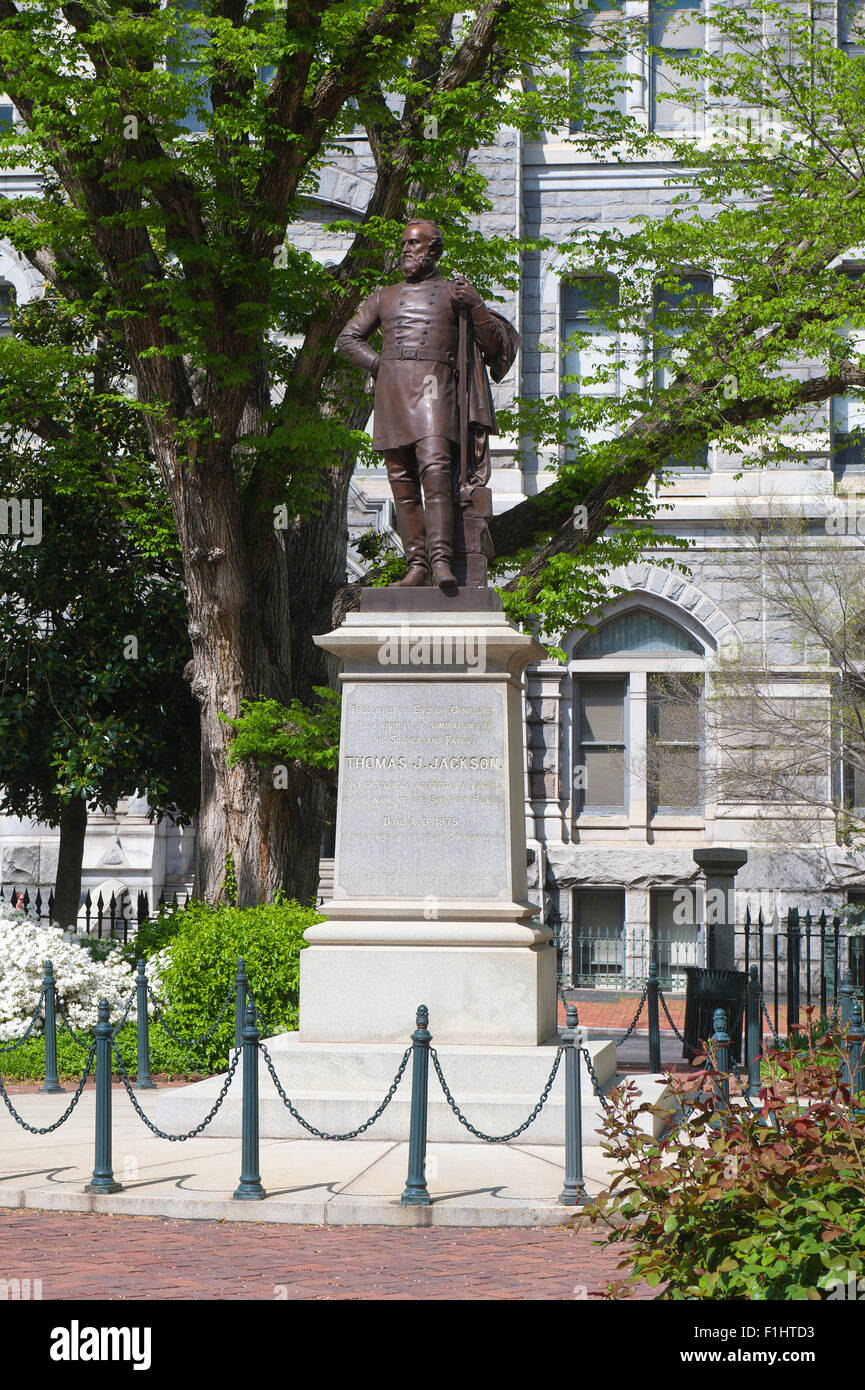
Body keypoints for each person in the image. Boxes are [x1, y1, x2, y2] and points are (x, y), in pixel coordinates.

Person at [336, 219, 519, 590]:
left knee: (436, 472)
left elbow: (495, 347)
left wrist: (478, 306)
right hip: (392, 392)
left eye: (414, 244)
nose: (406, 250)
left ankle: (441, 562)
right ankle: (416, 565)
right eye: (404, 244)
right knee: (401, 483)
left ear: (434, 249)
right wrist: (380, 366)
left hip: (436, 391)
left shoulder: (455, 294)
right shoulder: (383, 296)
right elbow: (348, 338)